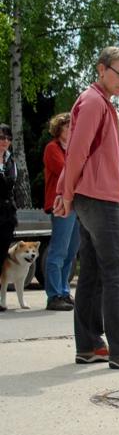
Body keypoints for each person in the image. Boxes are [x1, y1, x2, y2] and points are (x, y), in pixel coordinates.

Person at [52, 46, 119, 369]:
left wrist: (66, 191)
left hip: (95, 195)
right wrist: (65, 193)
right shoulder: (94, 102)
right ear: (101, 69)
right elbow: (77, 151)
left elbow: (78, 153)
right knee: (118, 271)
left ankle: (90, 345)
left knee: (94, 272)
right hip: (100, 198)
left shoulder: (98, 102)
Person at [43, 113, 80, 311]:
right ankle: (54, 294)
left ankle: (64, 291)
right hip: (60, 204)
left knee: (71, 251)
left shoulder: (74, 149)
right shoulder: (52, 148)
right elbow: (65, 171)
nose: (71, 129)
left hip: (76, 204)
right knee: (58, 250)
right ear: (59, 129)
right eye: (67, 126)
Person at [0, 123, 17, 312]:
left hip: (7, 214)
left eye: (8, 138)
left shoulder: (11, 160)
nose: (5, 141)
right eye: (1, 138)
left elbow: (12, 185)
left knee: (2, 254)